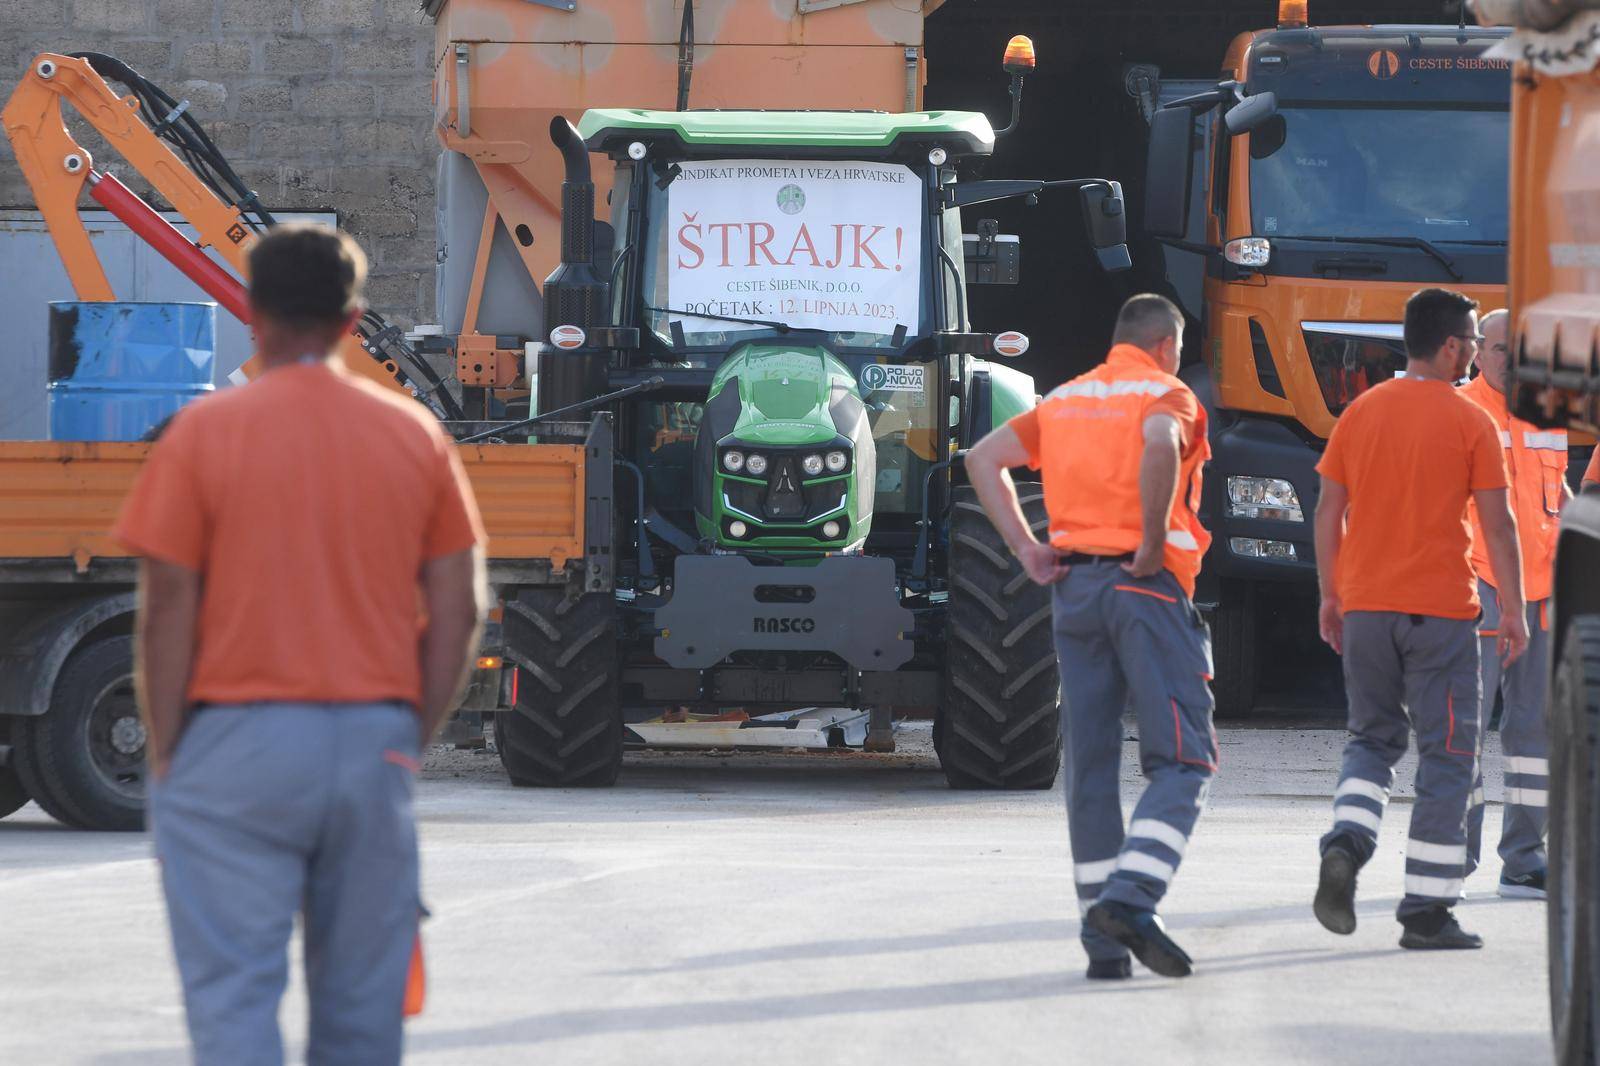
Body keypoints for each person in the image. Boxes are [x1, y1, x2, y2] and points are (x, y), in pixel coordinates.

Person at [114, 224, 488, 1065]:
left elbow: (167, 604)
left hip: (231, 743)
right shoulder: (413, 435)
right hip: (370, 742)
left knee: (234, 996)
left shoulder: (203, 435)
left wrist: (172, 752)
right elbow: (460, 606)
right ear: (353, 320)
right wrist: (406, 735)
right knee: (362, 1010)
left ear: (251, 313)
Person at [966, 294, 1214, 980]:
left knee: (1091, 768)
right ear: (1166, 344)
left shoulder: (1069, 399)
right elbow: (1162, 446)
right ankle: (1132, 899)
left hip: (1073, 592)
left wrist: (1026, 549)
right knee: (1184, 761)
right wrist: (1149, 543)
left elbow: (983, 460)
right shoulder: (1168, 394)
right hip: (1144, 589)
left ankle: (1103, 947)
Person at [1312, 287, 1528, 951]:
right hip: (1441, 614)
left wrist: (1330, 594)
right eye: (1469, 338)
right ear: (1454, 345)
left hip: (1367, 607)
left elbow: (1327, 511)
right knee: (1449, 755)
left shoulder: (1361, 411)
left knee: (1370, 740)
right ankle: (1427, 911)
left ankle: (1347, 839)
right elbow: (1498, 523)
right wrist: (1515, 610)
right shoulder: (1472, 423)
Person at [1459, 309, 1568, 899]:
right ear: (1478, 352)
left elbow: (1556, 499)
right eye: (1501, 349)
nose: (1512, 360)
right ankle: (1452, 853)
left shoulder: (1548, 414)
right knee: (1463, 728)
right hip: (1476, 587)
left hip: (1541, 594)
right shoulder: (1459, 410)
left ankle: (1524, 860)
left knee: (1534, 734)